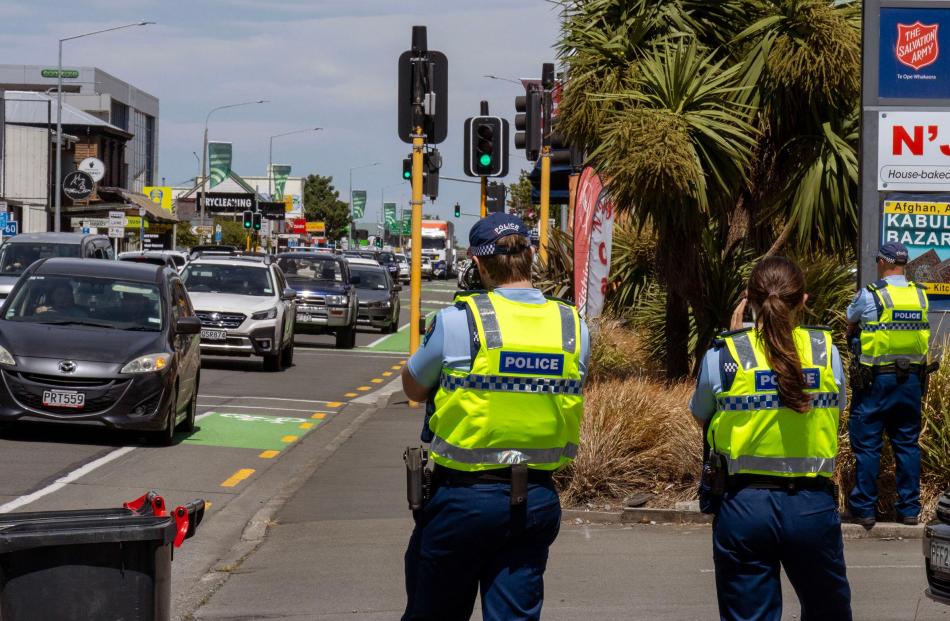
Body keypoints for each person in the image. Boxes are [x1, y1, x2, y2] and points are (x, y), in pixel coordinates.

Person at [400, 213, 590, 621]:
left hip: (464, 500)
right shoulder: (572, 326)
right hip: (535, 499)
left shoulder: (458, 321)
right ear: (531, 258)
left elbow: (413, 388)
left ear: (479, 264)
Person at [690, 256, 852, 621]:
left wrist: (736, 340)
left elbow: (702, 415)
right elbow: (835, 411)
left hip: (745, 506)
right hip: (811, 505)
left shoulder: (724, 355)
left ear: (748, 299)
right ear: (804, 300)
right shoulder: (827, 352)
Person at [845, 242, 930, 528]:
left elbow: (849, 320)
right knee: (907, 445)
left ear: (882, 261)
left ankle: (865, 510)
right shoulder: (920, 296)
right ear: (904, 263)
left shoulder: (870, 295)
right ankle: (908, 510)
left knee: (868, 446)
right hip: (911, 382)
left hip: (876, 383)